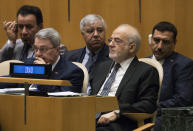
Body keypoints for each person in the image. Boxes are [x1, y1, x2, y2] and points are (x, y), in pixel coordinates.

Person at [90, 24, 159, 131]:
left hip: (118, 124)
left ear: (131, 47)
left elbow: (148, 105)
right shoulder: (101, 67)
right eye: (110, 40)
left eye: (117, 41)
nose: (110, 44)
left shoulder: (146, 71)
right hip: (89, 120)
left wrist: (117, 112)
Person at [0, 28, 84, 93]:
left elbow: (62, 100)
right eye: (36, 49)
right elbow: (11, 80)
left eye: (43, 49)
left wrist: (44, 73)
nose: (38, 54)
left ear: (57, 50)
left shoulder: (73, 72)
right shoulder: (30, 64)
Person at [148, 21, 193, 131]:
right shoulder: (143, 63)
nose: (159, 46)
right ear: (151, 40)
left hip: (165, 115)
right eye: (156, 40)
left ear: (174, 43)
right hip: (138, 113)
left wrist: (152, 108)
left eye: (166, 42)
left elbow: (183, 99)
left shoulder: (184, 65)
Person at [0, 5, 67, 62]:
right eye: (20, 27)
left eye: (29, 27)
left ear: (40, 27)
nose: (24, 32)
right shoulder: (15, 45)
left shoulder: (56, 48)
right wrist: (11, 41)